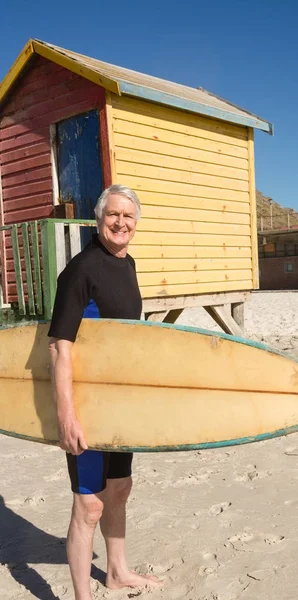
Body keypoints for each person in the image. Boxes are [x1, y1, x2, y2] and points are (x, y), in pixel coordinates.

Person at [48, 184, 163, 600]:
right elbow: (60, 346)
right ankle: (82, 596)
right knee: (89, 505)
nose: (121, 223)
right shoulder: (81, 269)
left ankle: (116, 571)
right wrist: (67, 416)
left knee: (119, 489)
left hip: (120, 405)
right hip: (88, 406)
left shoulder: (127, 264)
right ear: (98, 219)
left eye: (128, 216)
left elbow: (127, 339)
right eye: (113, 215)